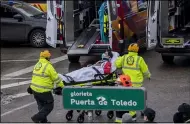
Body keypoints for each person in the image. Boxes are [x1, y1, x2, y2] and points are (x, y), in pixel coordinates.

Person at [115, 43, 151, 120]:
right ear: (137, 50)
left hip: (125, 83)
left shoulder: (124, 57)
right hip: (136, 85)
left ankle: (124, 117)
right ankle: (132, 117)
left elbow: (117, 64)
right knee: (134, 100)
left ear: (128, 49)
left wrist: (119, 58)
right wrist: (148, 76)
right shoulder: (139, 59)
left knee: (126, 99)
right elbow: (145, 70)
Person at [27, 50, 64, 123]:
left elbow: (35, 77)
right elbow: (56, 78)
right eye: (49, 57)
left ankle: (43, 121)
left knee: (41, 105)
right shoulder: (48, 66)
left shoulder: (37, 64)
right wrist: (62, 86)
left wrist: (30, 87)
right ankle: (37, 118)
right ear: (47, 58)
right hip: (43, 91)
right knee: (49, 105)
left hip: (35, 90)